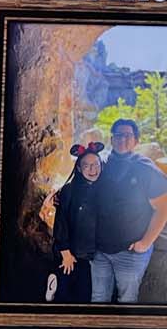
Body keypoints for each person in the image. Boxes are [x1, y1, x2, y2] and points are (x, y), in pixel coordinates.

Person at [91, 118, 167, 303]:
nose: (122, 139)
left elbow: (163, 208)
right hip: (99, 251)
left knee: (126, 301)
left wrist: (145, 243)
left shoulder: (145, 168)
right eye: (118, 135)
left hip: (130, 253)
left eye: (127, 135)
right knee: (98, 298)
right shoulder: (104, 164)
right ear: (111, 139)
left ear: (136, 140)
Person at [45, 141, 103, 304]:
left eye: (96, 164)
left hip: (92, 256)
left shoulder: (103, 189)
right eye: (87, 166)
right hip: (71, 254)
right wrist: (65, 252)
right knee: (64, 296)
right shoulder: (69, 190)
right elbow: (61, 221)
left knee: (84, 296)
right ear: (78, 168)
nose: (93, 170)